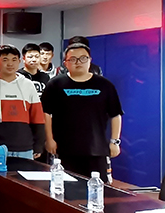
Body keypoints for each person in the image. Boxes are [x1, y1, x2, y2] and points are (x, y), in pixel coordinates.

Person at [42, 43, 123, 182]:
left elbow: (115, 114)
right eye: (73, 59)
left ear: (90, 60)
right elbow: (46, 114)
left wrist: (114, 141)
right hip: (64, 149)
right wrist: (49, 139)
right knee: (66, 188)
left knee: (98, 188)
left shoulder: (105, 85)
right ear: (65, 63)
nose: (78, 62)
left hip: (96, 149)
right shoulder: (55, 84)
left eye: (83, 58)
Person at [0, 45, 45, 159]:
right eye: (5, 60)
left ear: (19, 62)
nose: (10, 64)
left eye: (14, 59)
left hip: (24, 148)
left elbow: (37, 118)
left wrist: (39, 145)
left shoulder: (28, 85)